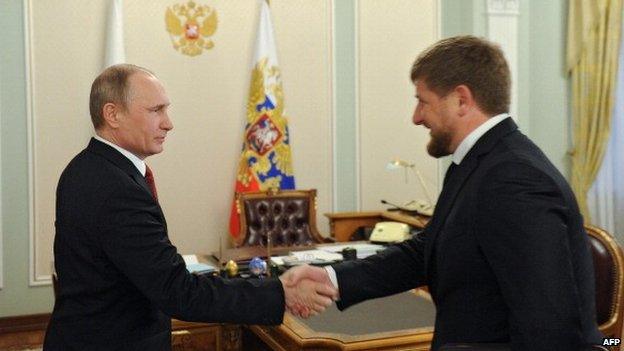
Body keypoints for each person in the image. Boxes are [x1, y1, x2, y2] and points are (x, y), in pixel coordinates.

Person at [282, 36, 603, 350]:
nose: (417, 117)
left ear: (462, 100)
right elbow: (430, 249)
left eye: (423, 101)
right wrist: (332, 279)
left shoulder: (514, 177)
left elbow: (550, 326)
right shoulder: (479, 162)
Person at [44, 64, 337, 351]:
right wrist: (279, 292)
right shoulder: (116, 187)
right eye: (155, 110)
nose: (168, 123)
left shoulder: (86, 167)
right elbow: (177, 292)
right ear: (113, 114)